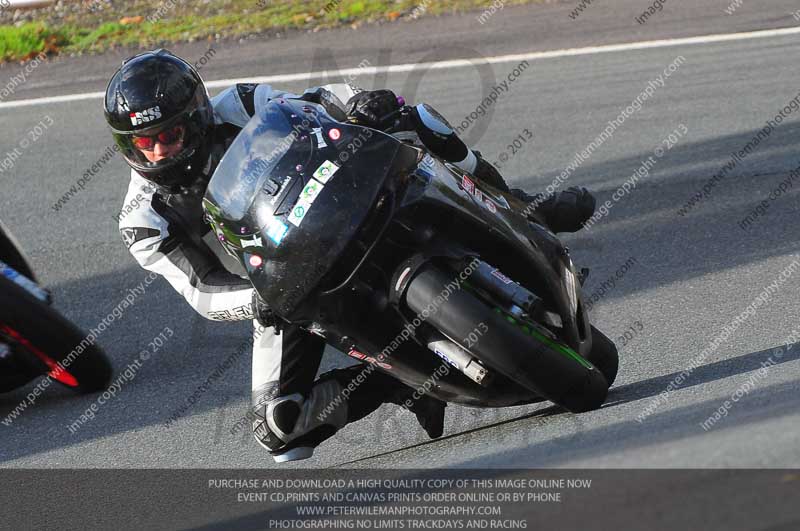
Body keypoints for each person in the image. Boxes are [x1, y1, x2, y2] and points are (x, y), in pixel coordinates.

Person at [105, 49, 595, 462]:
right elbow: (201, 290)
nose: (158, 153)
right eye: (143, 144)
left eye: (169, 136)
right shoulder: (143, 218)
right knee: (281, 431)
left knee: (411, 117)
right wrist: (253, 301)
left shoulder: (242, 102)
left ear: (197, 114)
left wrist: (359, 103)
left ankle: (519, 205)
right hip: (281, 276)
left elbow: (314, 102)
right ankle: (391, 381)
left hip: (341, 193)